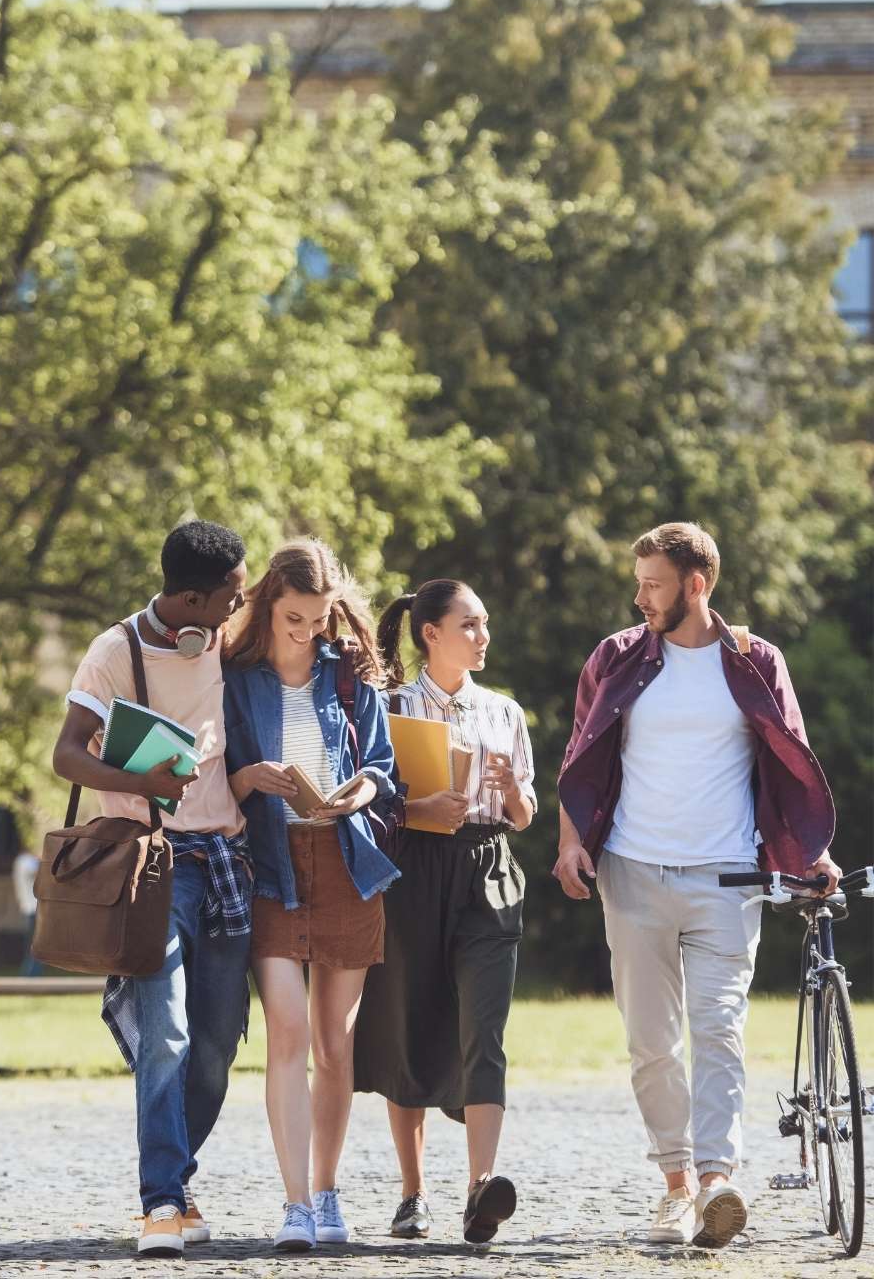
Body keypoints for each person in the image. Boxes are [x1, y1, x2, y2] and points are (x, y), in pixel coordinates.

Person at [554, 522, 839, 1250]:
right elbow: (581, 755)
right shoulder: (617, 657)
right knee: (652, 1043)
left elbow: (791, 760)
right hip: (632, 870)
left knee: (719, 1027)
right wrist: (568, 844)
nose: (640, 596)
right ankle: (675, 1187)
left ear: (696, 585)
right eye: (640, 581)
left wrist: (812, 853)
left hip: (726, 877)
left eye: (653, 584)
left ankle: (717, 1181)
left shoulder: (754, 661)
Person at [52, 520, 250, 1259]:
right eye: (230, 595)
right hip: (151, 866)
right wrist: (140, 782)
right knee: (163, 1032)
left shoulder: (232, 639)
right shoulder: (115, 651)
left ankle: (177, 1177)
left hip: (225, 862)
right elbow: (67, 754)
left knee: (215, 1047)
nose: (238, 605)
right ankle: (161, 1201)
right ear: (193, 597)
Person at [222, 539, 400, 1252]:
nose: (307, 632)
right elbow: (213, 776)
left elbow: (383, 768)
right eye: (294, 618)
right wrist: (247, 779)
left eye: (319, 619)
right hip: (269, 869)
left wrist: (361, 789)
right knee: (288, 1033)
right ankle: (295, 1205)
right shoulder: (235, 677)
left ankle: (328, 1192)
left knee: (334, 1041)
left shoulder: (350, 673)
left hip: (347, 862)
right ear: (269, 603)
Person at [354, 579, 536, 1246]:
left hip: (489, 866)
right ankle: (412, 1192)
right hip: (411, 871)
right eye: (470, 625)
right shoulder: (389, 707)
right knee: (409, 1018)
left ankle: (480, 1189)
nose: (483, 636)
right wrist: (419, 807)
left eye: (485, 625)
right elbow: (371, 801)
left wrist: (513, 788)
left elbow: (524, 816)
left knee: (483, 1028)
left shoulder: (505, 713)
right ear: (430, 632)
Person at [11, 847, 42, 976]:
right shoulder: (26, 861)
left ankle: (30, 973)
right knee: (35, 944)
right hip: (33, 908)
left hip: (28, 907)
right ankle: (30, 974)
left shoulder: (19, 861)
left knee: (32, 943)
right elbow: (37, 872)